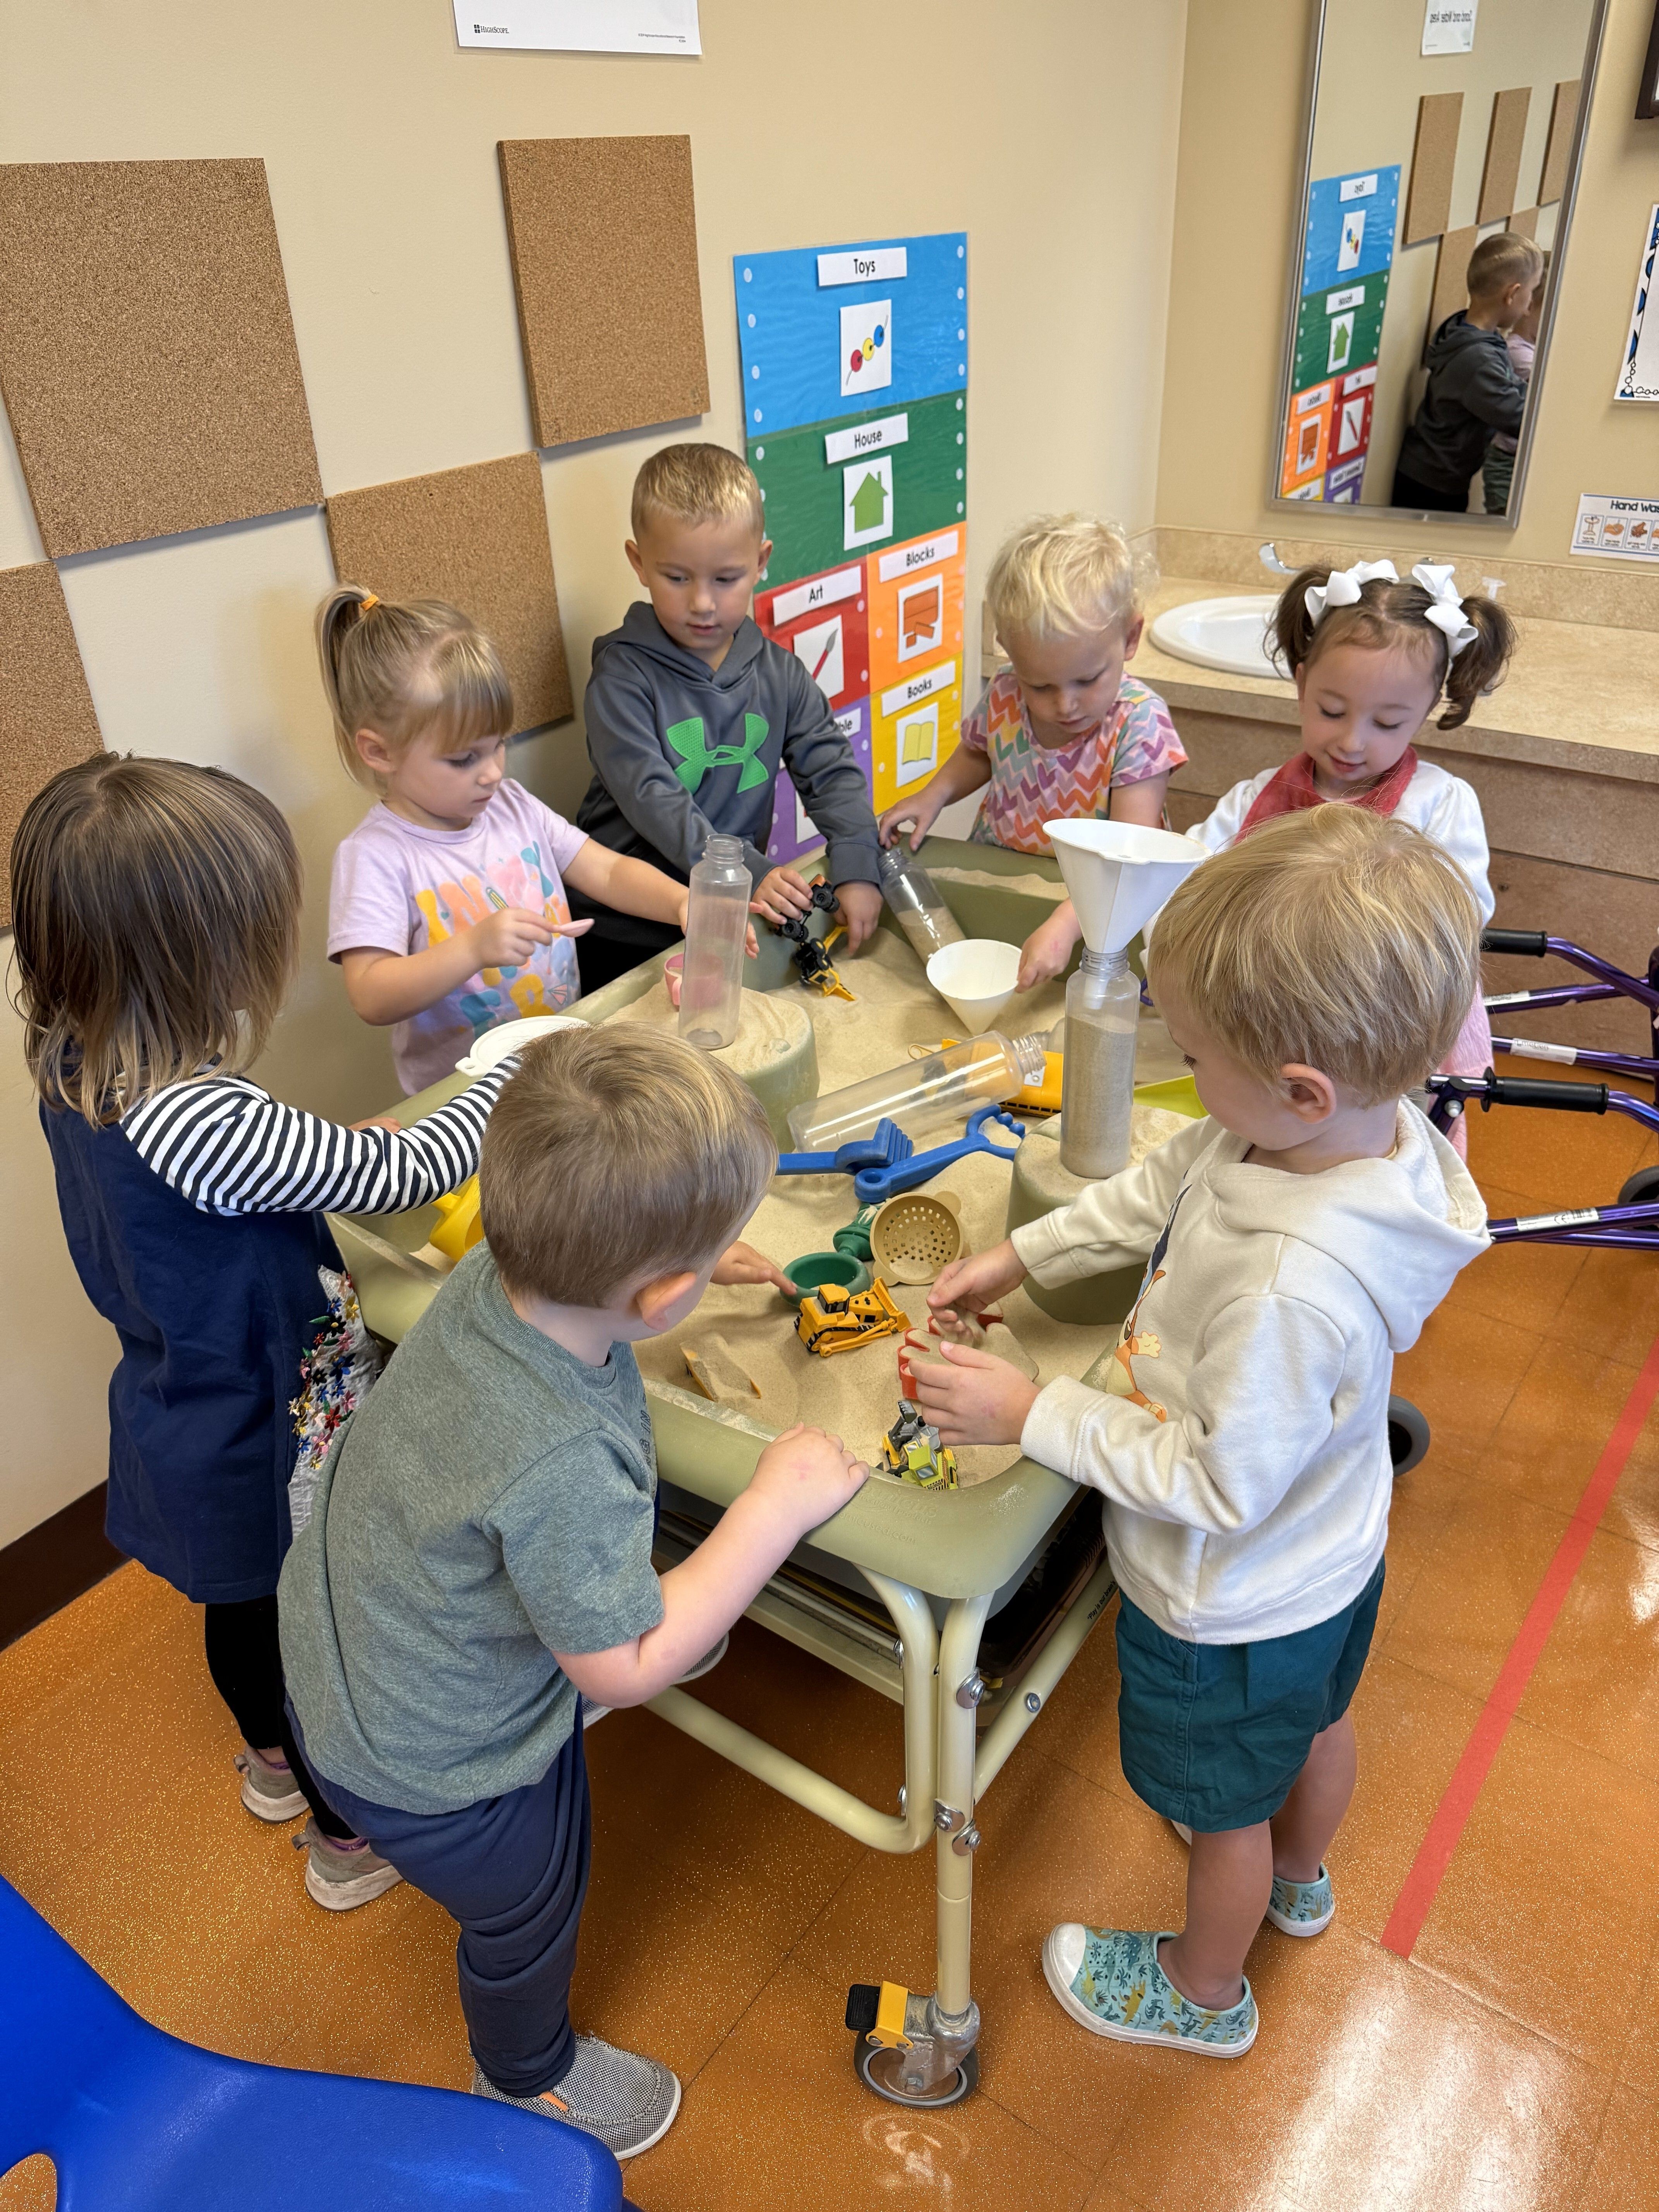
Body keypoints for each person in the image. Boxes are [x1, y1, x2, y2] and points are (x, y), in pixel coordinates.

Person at [908, 806, 1491, 2058]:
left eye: (1193, 1050)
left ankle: (1203, 1986)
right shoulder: (1328, 1136)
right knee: (1317, 1727)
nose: (1178, 1065)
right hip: (1327, 1568)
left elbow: (1216, 1483)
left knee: (1217, 1813)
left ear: (1295, 1086)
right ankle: (1298, 1879)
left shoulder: (1294, 1282)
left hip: (1225, 1600)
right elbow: (1158, 1188)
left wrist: (1032, 1413)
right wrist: (1019, 1254)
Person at [277, 1024, 868, 2158]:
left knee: (587, 1632)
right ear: (658, 1294)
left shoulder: (489, 1277)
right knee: (528, 1908)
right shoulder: (567, 1464)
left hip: (331, 1648)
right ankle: (524, 2074)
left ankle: (348, 1842)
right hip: (443, 1766)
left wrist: (678, 1275)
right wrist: (771, 1511)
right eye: (714, 1250)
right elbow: (625, 1668)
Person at [11, 753, 520, 1909]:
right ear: (196, 960)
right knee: (315, 1637)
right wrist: (498, 1084)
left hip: (179, 1402)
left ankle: (272, 1766)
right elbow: (395, 1167)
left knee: (239, 1611)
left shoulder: (71, 1061)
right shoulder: (197, 1116)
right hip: (270, 1423)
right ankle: (349, 1837)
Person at [1166, 556, 1513, 1157]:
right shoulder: (1256, 800)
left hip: (1381, 1046)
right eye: (1331, 711)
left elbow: (1458, 922)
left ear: (1426, 709)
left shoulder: (1439, 806)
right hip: (1269, 1039)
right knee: (1268, 1155)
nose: (1353, 741)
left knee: (1369, 1167)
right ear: (1301, 683)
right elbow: (1184, 877)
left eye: (1387, 722)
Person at [321, 590, 693, 1096]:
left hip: (559, 1067)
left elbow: (605, 871)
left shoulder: (513, 806)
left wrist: (682, 901)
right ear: (379, 752)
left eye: (499, 744)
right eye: (463, 759)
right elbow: (370, 995)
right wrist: (473, 949)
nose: (493, 772)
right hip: (464, 1102)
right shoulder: (375, 856)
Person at [570, 443, 884, 994]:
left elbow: (831, 769)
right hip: (623, 933)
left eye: (725, 579)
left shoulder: (779, 674)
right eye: (676, 578)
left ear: (761, 563)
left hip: (727, 920)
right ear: (639, 562)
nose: (702, 604)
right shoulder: (622, 680)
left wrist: (858, 863)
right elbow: (654, 798)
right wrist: (747, 874)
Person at [878, 514, 1187, 990]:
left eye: (1087, 681)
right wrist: (933, 795)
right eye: (1040, 685)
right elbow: (982, 751)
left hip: (1097, 901)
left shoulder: (1139, 724)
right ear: (1008, 654)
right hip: (1005, 872)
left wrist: (1066, 925)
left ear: (1129, 639)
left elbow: (1128, 855)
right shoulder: (1005, 691)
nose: (1065, 705)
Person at [1393, 230, 1544, 513]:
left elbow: (1511, 389)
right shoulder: (1478, 359)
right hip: (1431, 486)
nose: (1530, 304)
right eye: (1532, 291)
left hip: (1440, 476)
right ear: (1513, 295)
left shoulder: (1469, 330)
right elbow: (1520, 418)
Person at [1483, 253, 1545, 515]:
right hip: (1508, 464)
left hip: (1525, 462)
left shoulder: (1535, 349)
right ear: (1530, 306)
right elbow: (1549, 392)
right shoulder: (1518, 353)